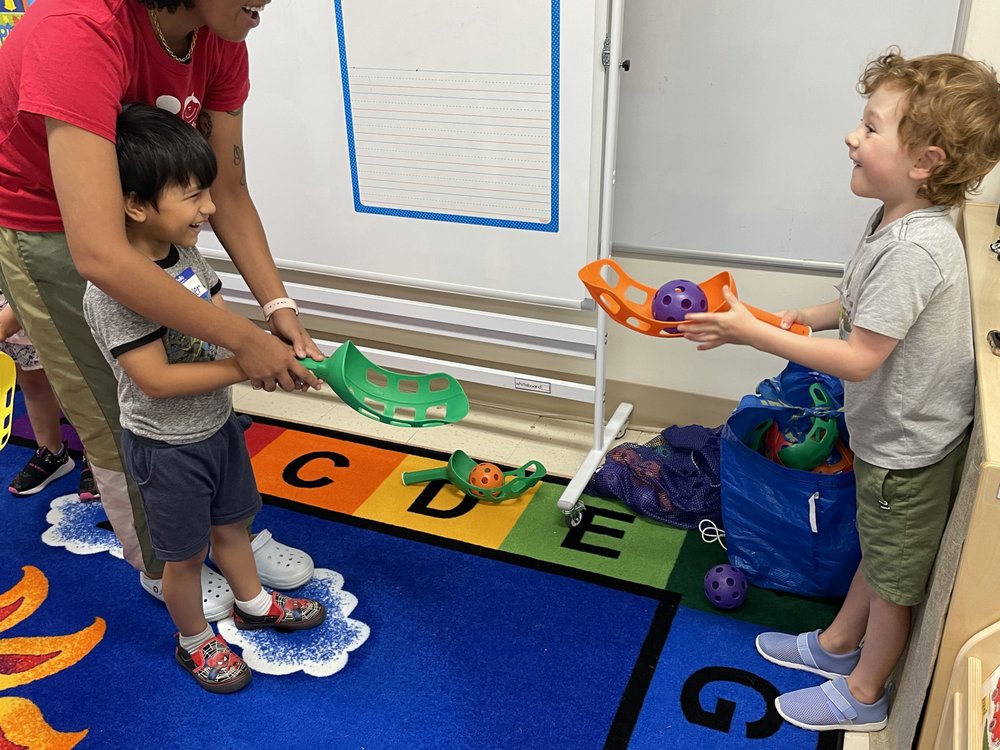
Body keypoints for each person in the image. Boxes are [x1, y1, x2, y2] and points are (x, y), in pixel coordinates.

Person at [680, 49, 1000, 732]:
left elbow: (858, 359)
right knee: (875, 551)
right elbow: (862, 312)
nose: (852, 137)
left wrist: (751, 334)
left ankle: (865, 691)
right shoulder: (892, 218)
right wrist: (805, 318)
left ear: (926, 162)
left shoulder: (918, 249)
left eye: (871, 127)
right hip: (888, 436)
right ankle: (835, 644)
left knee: (892, 582)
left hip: (909, 452)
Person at [0, 0, 324, 620]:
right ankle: (163, 558)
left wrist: (274, 306)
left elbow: (225, 186)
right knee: (113, 403)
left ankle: (229, 537)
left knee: (198, 383)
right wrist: (246, 345)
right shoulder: (78, 31)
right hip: (52, 229)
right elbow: (97, 251)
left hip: (142, 225)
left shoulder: (222, 31)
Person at [84, 102, 326, 693]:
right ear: (136, 203)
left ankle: (253, 602)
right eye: (193, 196)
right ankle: (194, 640)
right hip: (166, 448)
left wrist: (266, 347)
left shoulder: (185, 253)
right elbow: (157, 381)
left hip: (217, 427)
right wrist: (242, 366)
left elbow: (219, 320)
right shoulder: (115, 291)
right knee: (184, 557)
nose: (210, 208)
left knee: (234, 527)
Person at [0, 292, 99, 500]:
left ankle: (99, 456)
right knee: (31, 382)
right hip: (7, 306)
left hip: (34, 299)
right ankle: (52, 453)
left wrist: (14, 311)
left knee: (78, 384)